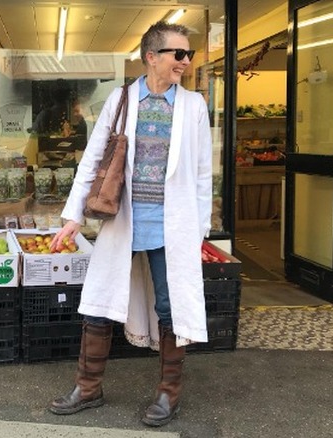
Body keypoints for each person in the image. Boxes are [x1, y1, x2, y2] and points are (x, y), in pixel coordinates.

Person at [47, 21, 212, 427]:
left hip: (171, 225)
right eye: (178, 54)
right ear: (151, 56)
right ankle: (88, 388)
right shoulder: (121, 100)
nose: (186, 61)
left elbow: (204, 172)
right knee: (99, 303)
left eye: (188, 54)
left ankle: (168, 395)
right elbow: (93, 160)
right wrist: (73, 217)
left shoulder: (193, 106)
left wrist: (200, 230)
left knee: (170, 308)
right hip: (124, 219)